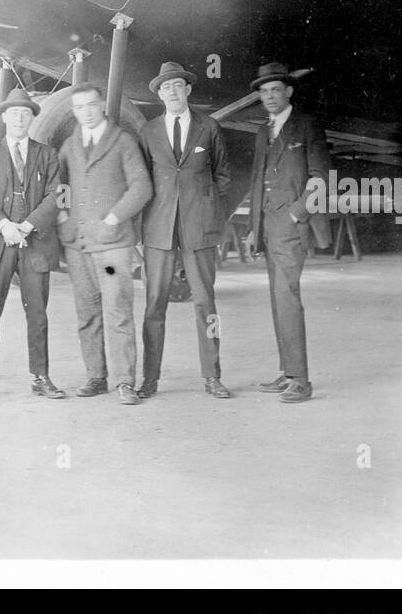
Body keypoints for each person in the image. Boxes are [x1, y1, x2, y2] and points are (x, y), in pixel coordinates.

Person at [138, 60, 232, 399]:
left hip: (199, 228)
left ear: (188, 90)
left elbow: (223, 177)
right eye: (166, 87)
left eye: (178, 85)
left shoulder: (209, 127)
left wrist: (209, 213)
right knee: (154, 305)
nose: (172, 92)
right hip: (159, 229)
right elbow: (142, 181)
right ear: (160, 95)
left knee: (206, 302)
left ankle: (212, 376)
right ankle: (150, 378)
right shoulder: (148, 131)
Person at [58, 84, 152, 406]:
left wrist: (113, 219)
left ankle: (125, 381)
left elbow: (142, 187)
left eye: (91, 105)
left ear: (102, 106)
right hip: (79, 246)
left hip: (112, 248)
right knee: (87, 314)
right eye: (79, 107)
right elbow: (60, 188)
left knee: (118, 313)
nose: (86, 111)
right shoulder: (70, 146)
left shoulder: (123, 141)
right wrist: (63, 218)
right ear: (74, 111)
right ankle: (96, 376)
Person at [0, 87, 65, 402]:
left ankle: (40, 377)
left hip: (35, 242)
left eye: (26, 113)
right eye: (14, 113)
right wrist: (5, 226)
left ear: (32, 118)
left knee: (37, 313)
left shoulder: (47, 154)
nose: (20, 118)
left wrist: (26, 225)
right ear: (4, 117)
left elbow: (56, 196)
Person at [248, 62, 331, 403]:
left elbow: (320, 178)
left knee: (288, 299)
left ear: (289, 91)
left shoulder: (307, 125)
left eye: (275, 90)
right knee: (278, 300)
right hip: (267, 226)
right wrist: (255, 228)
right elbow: (256, 182)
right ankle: (288, 372)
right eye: (264, 92)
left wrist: (297, 215)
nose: (269, 97)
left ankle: (301, 380)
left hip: (290, 226)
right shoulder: (261, 132)